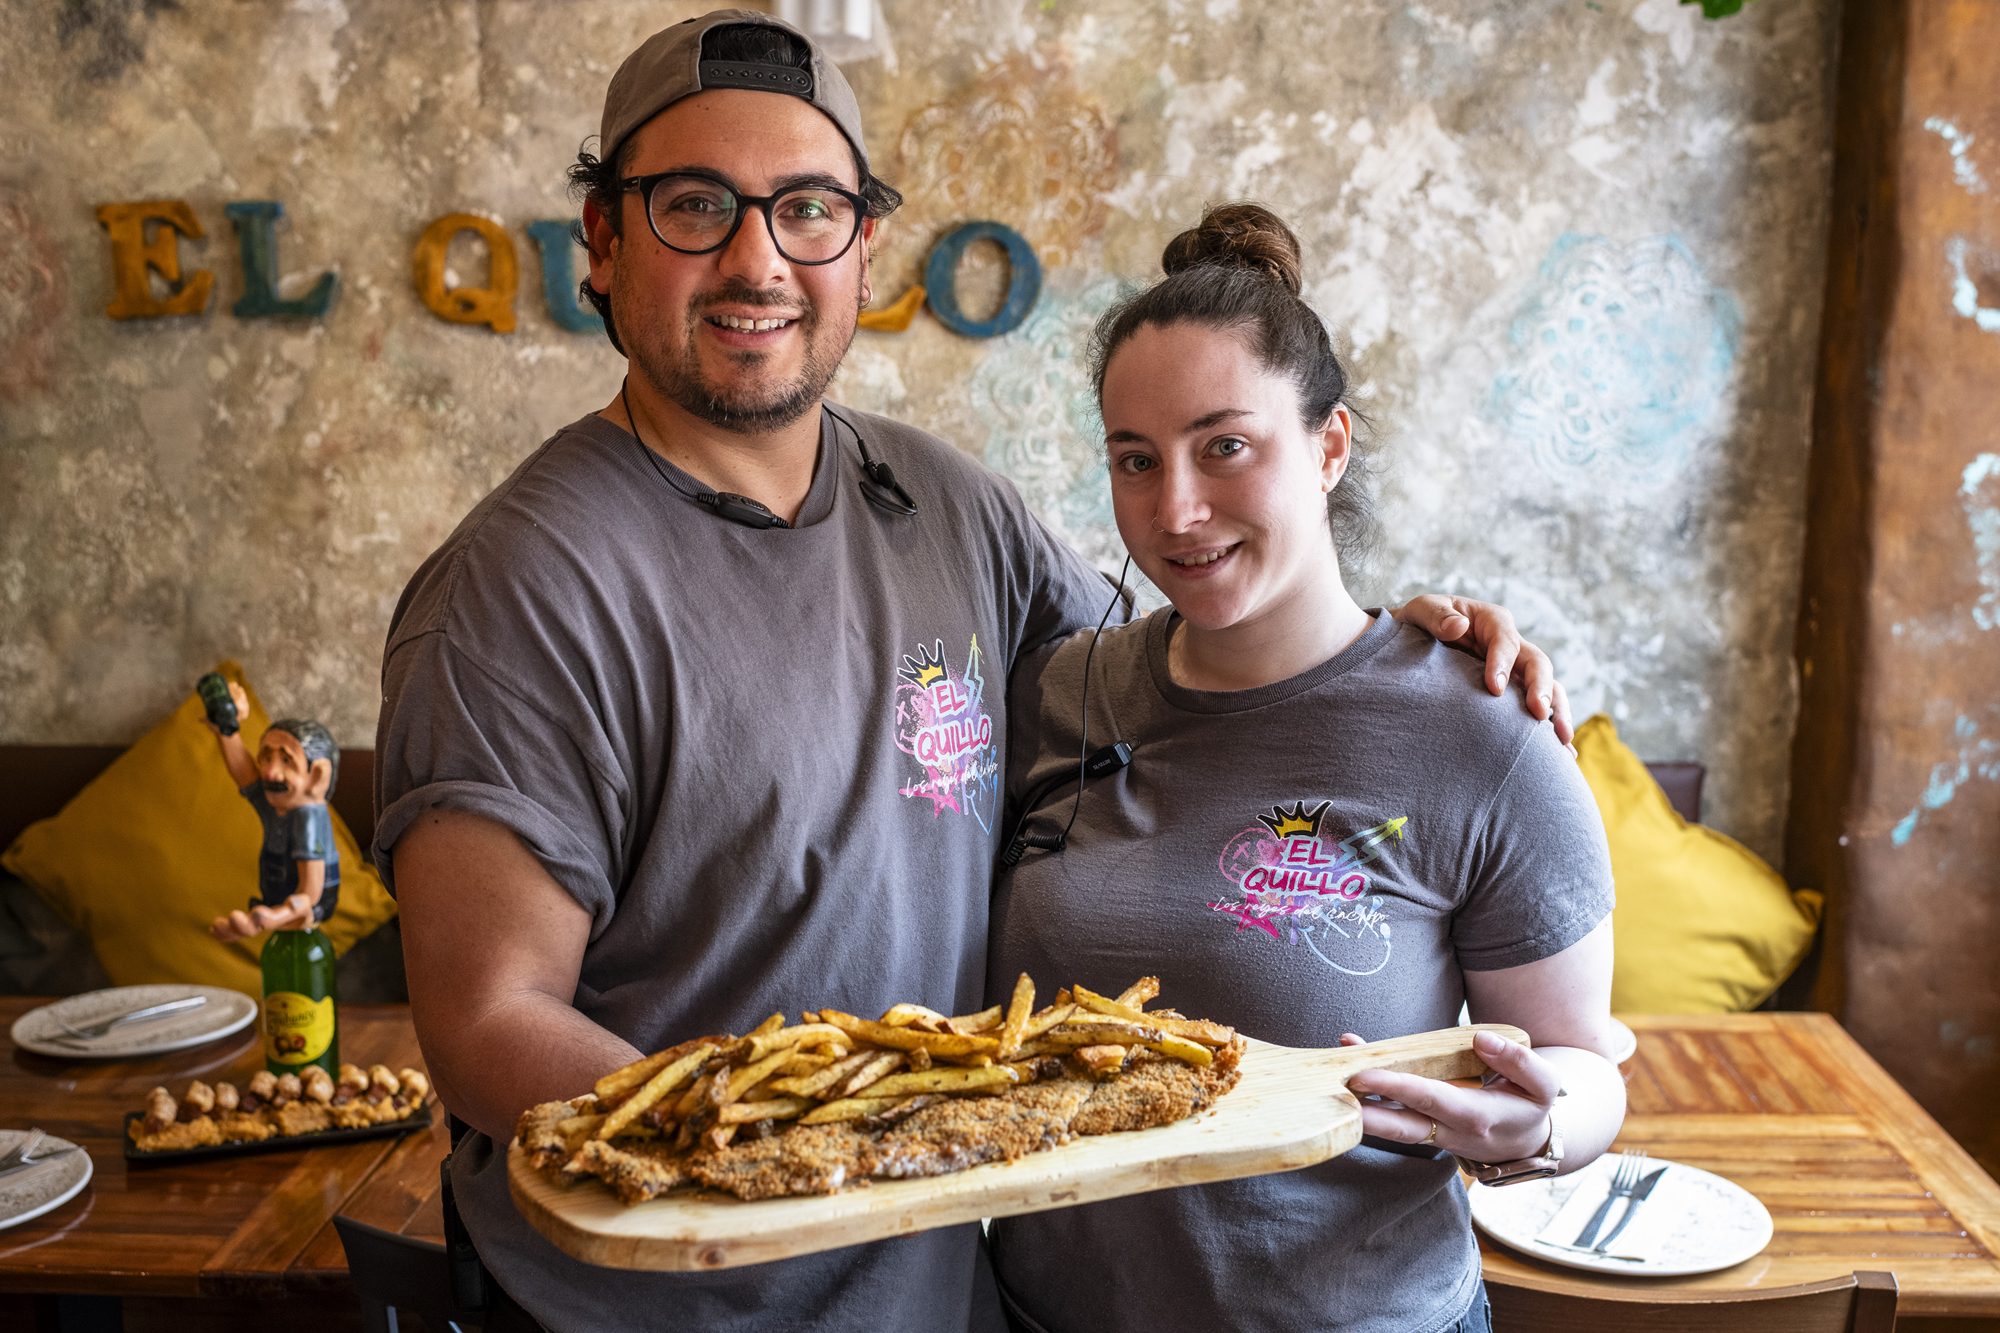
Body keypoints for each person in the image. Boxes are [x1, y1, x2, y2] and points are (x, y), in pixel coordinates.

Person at [372, 13, 1570, 1333]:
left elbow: (1194, 668)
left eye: (807, 209)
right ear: (603, 241)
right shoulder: (518, 589)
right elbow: (487, 1022)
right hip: (665, 1308)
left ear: (862, 250)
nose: (757, 258)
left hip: (952, 1293)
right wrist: (782, 1161)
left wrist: (1393, 655)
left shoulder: (946, 505)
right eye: (695, 206)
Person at [986, 204, 1625, 1333]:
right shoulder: (1056, 693)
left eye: (1224, 446)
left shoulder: (1485, 733)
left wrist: (1540, 1128)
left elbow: (1584, 1066)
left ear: (1329, 447)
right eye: (1135, 460)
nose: (1175, 509)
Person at [200, 676, 342, 942]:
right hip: (275, 899)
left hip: (307, 906)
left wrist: (274, 917)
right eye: (266, 757)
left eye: (287, 761)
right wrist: (227, 729)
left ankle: (259, 922)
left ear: (317, 776)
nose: (269, 772)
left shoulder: (308, 816)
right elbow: (245, 775)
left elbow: (311, 891)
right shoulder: (276, 801)